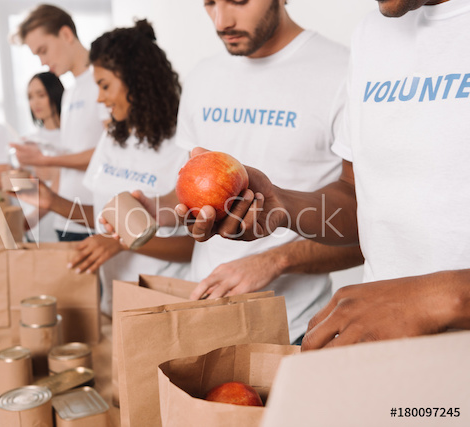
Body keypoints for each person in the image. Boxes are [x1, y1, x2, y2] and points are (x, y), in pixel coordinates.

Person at [176, 0, 470, 350]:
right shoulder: (372, 33)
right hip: (382, 350)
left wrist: (433, 300)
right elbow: (354, 195)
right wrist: (283, 206)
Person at [111, 0, 364, 345]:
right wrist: (157, 210)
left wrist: (276, 260)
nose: (221, 20)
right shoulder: (203, 77)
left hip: (295, 327)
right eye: (210, 3)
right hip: (204, 314)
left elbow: (368, 229)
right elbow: (197, 192)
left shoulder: (344, 72)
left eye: (239, 1)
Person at [19, 19, 193, 315]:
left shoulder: (184, 147)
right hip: (115, 303)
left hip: (165, 306)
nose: (99, 98)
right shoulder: (113, 138)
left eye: (105, 86)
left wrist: (125, 242)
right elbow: (103, 219)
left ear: (137, 80)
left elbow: (191, 247)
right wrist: (52, 201)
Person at [11, 4, 109, 242]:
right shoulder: (70, 94)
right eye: (37, 55)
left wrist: (45, 159)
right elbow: (71, 156)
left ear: (66, 34)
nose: (43, 62)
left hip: (95, 218)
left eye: (43, 50)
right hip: (65, 218)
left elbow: (108, 155)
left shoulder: (103, 83)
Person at [19, 72, 65, 242]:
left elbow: (59, 189)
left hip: (63, 225)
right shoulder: (28, 142)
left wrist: (32, 218)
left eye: (41, 95)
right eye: (30, 97)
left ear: (55, 94)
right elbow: (23, 189)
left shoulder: (69, 139)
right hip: (32, 231)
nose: (35, 102)